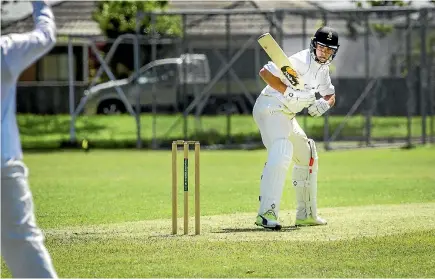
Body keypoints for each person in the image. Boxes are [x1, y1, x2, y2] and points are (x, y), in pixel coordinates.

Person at [253, 26, 339, 230]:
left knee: (307, 155)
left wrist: (325, 104)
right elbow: (265, 72)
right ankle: (266, 213)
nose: (324, 53)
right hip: (270, 107)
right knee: (282, 149)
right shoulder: (300, 60)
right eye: (321, 48)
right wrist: (288, 92)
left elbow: (330, 95)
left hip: (287, 115)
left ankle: (306, 214)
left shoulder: (323, 70)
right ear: (313, 46)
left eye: (329, 50)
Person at [1, 1, 58, 277]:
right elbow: (46, 35)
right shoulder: (5, 50)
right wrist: (40, 3)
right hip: (3, 163)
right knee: (23, 243)